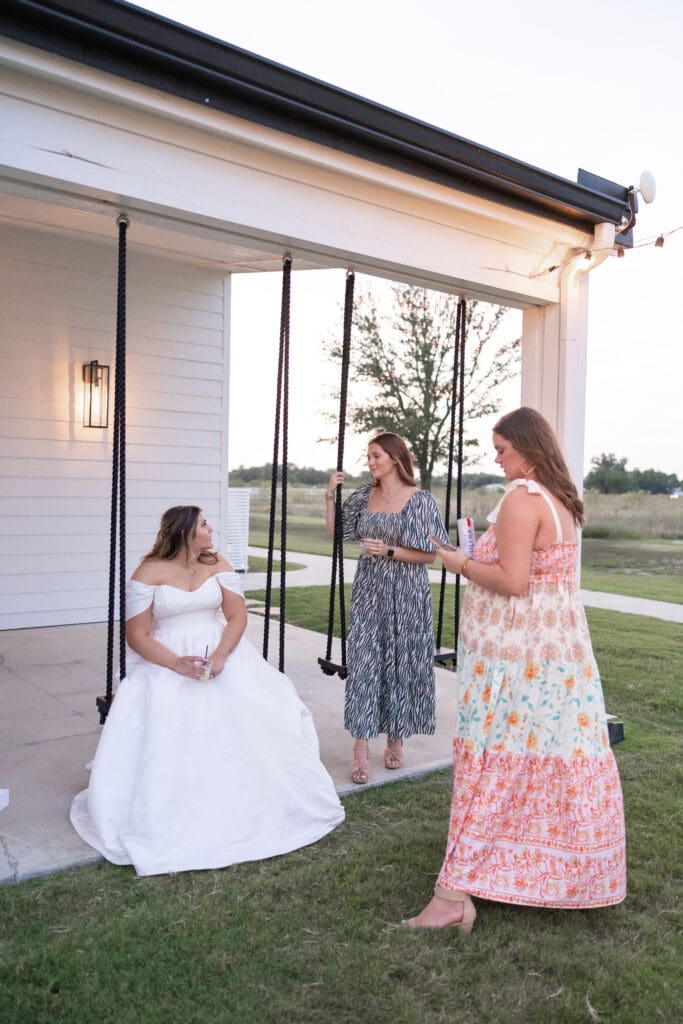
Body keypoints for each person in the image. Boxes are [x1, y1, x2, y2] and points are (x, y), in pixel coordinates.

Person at [405, 407, 626, 932]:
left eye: (502, 449)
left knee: (495, 763)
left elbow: (513, 580)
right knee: (537, 759)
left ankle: (454, 894)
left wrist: (457, 562)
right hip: (554, 658)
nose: (497, 458)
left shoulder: (524, 498)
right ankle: (532, 874)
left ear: (527, 448)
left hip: (520, 661)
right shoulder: (562, 501)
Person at [70, 505, 344, 876]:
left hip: (220, 653)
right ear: (184, 531)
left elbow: (237, 615)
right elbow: (136, 635)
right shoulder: (148, 572)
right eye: (203, 524)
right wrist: (176, 663)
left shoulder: (218, 563)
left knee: (252, 716)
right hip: (168, 657)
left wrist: (220, 655)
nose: (210, 528)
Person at [325, 432, 449, 785]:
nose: (371, 462)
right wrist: (329, 496)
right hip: (369, 588)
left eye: (376, 455)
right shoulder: (364, 496)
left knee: (400, 659)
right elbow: (338, 534)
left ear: (395, 457)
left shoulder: (420, 500)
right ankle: (360, 747)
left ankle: (396, 737)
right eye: (368, 456)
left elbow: (431, 555)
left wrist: (390, 551)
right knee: (365, 661)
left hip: (407, 593)